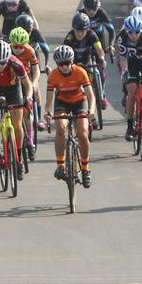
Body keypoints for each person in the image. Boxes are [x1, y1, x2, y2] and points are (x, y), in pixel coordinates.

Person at [46, 45, 95, 188]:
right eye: (61, 64)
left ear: (72, 61)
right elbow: (49, 99)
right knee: (61, 128)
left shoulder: (80, 72)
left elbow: (90, 96)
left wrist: (91, 111)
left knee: (82, 133)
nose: (64, 67)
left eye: (67, 63)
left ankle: (85, 169)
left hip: (80, 101)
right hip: (62, 102)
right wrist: (48, 112)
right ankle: (60, 164)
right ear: (57, 64)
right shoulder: (53, 75)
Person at [0, 40, 31, 162]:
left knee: (17, 123)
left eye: (3, 63)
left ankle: (18, 157)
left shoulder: (16, 64)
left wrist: (28, 98)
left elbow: (27, 85)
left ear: (8, 59)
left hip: (13, 86)